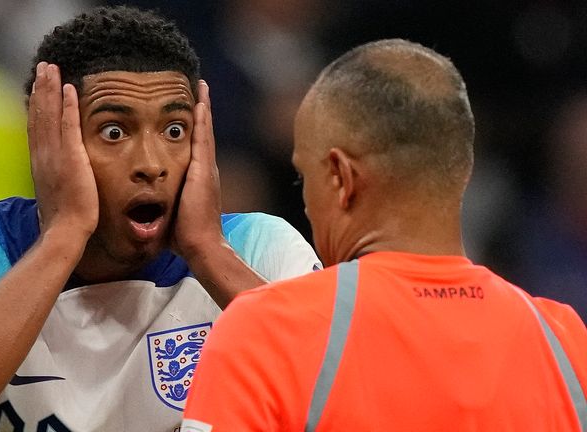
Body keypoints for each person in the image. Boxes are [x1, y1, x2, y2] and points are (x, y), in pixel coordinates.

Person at [0, 6, 321, 432]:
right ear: (47, 139)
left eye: (175, 130)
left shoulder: (261, 247)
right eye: (114, 131)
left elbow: (351, 401)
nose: (151, 162)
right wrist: (62, 238)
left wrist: (209, 253)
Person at [181, 39, 587, 431]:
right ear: (461, 170)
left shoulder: (263, 331)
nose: (305, 202)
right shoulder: (567, 344)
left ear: (341, 177)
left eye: (305, 177)